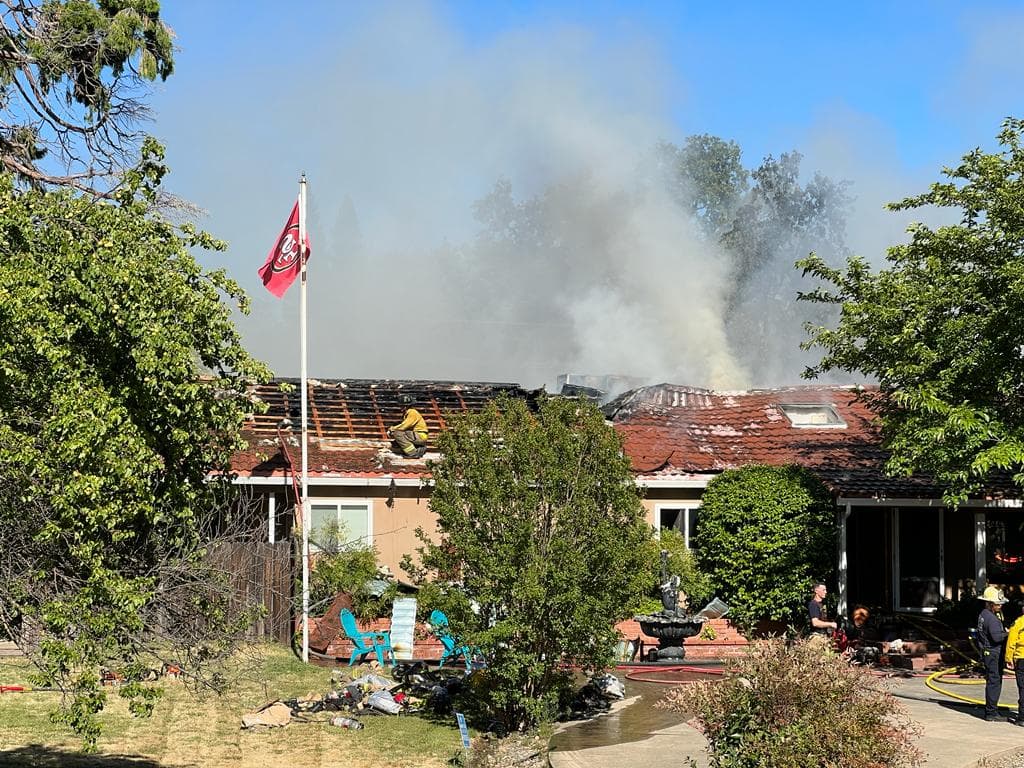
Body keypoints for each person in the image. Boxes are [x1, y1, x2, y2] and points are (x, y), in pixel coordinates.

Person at [977, 585, 1010, 721]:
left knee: (992, 680)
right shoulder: (992, 619)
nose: (1000, 606)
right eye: (998, 604)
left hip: (986, 652)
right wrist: (1007, 633)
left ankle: (991, 709)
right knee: (994, 682)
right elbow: (996, 638)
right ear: (990, 603)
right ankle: (991, 712)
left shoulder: (984, 615)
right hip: (993, 653)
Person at [1005, 600, 1024, 726]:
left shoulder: (1018, 623)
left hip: (1021, 658)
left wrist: (1008, 658)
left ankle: (1022, 717)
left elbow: (1011, 642)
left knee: (1023, 688)